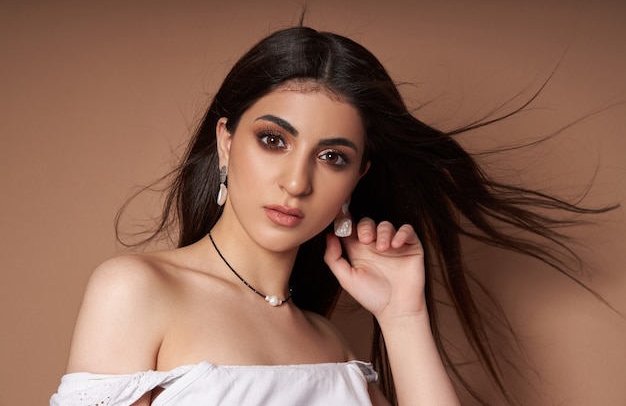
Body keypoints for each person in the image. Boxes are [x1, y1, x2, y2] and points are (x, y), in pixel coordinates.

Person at [50, 25, 614, 406]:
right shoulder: (137, 290)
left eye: (332, 156)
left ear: (358, 177)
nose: (297, 182)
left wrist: (403, 316)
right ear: (225, 142)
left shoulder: (332, 347)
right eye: (273, 140)